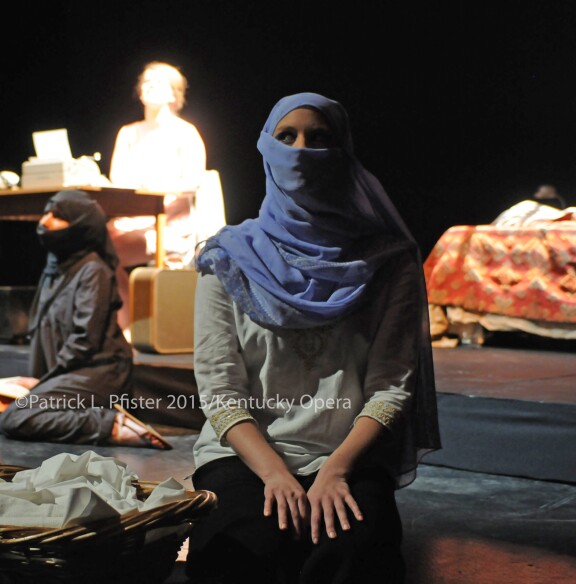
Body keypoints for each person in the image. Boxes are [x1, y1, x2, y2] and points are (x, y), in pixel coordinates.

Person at [184, 93, 441, 583]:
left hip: (347, 455)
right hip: (246, 453)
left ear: (343, 151)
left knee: (356, 555)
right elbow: (219, 388)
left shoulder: (388, 264)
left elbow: (391, 385)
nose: (301, 150)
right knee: (240, 551)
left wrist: (337, 470)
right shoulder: (228, 258)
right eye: (287, 137)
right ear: (265, 147)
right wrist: (275, 474)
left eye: (319, 138)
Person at [0, 190, 171, 449]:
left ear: (81, 226)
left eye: (58, 216)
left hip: (96, 372)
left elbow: (84, 340)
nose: (45, 221)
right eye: (46, 212)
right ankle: (56, 414)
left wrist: (43, 383)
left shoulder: (94, 271)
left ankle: (110, 424)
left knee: (17, 417)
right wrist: (42, 382)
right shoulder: (54, 268)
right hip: (64, 373)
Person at [107, 61, 208, 334]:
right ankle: (125, 328)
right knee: (98, 245)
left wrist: (156, 186)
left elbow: (193, 181)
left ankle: (146, 328)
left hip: (170, 225)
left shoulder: (185, 132)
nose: (150, 85)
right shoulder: (127, 133)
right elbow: (118, 183)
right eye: (146, 81)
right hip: (131, 224)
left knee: (111, 246)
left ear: (174, 94)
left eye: (159, 81)